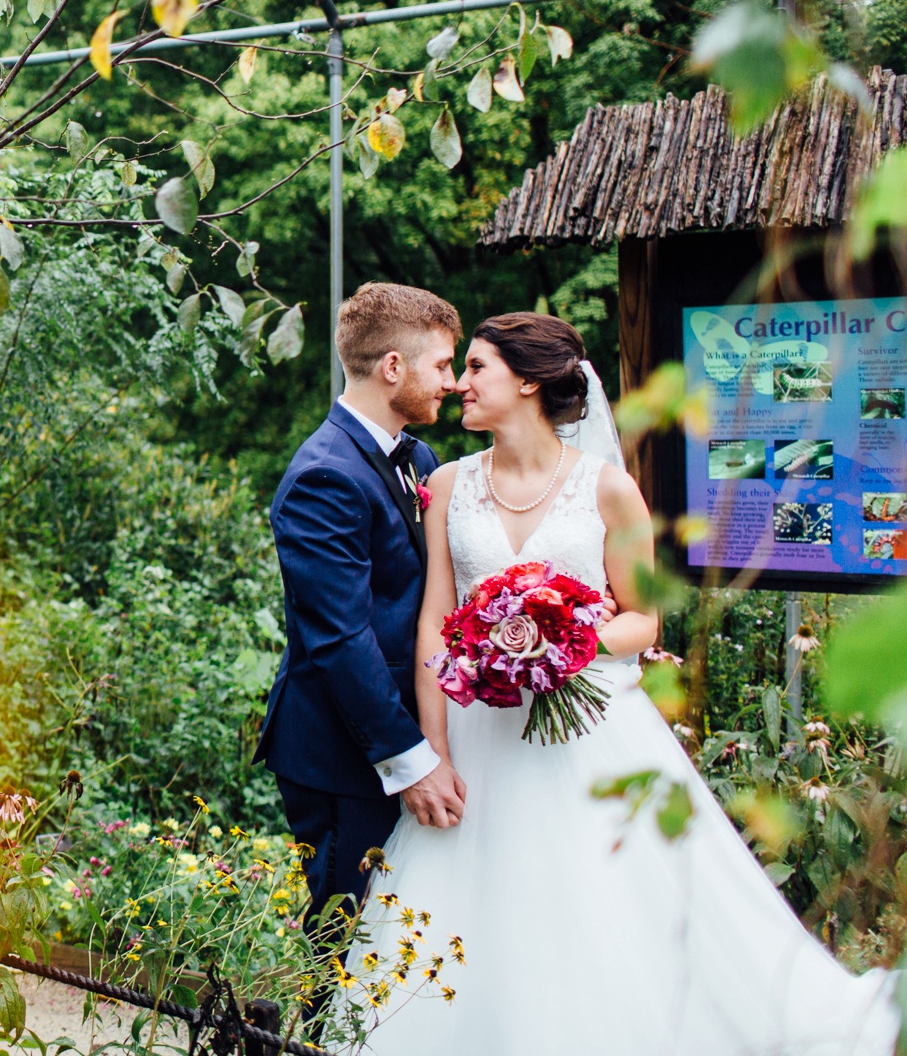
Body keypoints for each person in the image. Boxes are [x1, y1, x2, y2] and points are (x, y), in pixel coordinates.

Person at [349, 312, 899, 1055]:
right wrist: (435, 750)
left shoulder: (609, 489)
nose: (460, 384)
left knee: (606, 905)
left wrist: (561, 642)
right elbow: (432, 625)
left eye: (476, 368)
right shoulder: (448, 484)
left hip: (591, 731)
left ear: (530, 380)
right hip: (481, 737)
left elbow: (644, 619)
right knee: (477, 914)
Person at [259, 283, 470, 922]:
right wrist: (410, 762)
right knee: (345, 943)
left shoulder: (417, 456)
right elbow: (340, 639)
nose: (453, 382)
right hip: (347, 758)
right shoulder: (325, 476)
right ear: (393, 367)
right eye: (441, 365)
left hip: (411, 730)